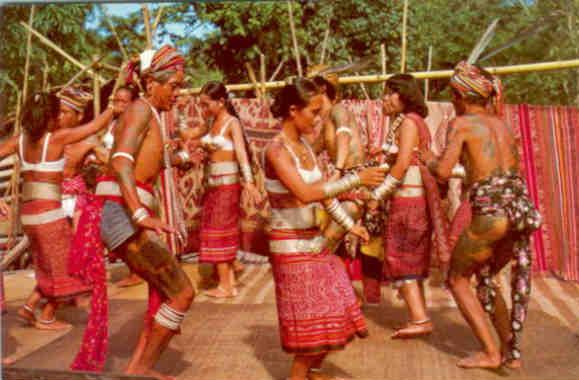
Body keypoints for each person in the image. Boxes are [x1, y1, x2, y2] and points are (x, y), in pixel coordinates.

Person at [69, 45, 194, 379]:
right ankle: (141, 368)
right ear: (152, 82)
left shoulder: (149, 113)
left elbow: (143, 161)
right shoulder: (140, 109)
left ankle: (139, 365)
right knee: (181, 292)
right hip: (121, 214)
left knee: (164, 292)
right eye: (174, 85)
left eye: (180, 86)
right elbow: (122, 162)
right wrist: (140, 215)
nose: (177, 93)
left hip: (122, 212)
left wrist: (182, 159)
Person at [419, 61, 541, 369]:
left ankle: (491, 353)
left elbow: (444, 173)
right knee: (486, 279)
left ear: (459, 95)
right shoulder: (502, 124)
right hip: (520, 210)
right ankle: (510, 353)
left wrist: (428, 158)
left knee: (457, 279)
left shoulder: (461, 124)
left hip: (492, 214)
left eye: (452, 96)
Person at [264, 78, 386, 380]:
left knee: (339, 305)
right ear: (293, 111)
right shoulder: (276, 150)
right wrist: (357, 180)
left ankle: (312, 371)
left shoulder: (303, 145)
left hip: (311, 239)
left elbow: (323, 193)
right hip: (290, 245)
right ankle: (301, 374)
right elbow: (306, 193)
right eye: (314, 112)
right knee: (311, 322)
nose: (319, 119)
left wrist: (349, 226)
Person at [0, 91, 117, 330]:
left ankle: (29, 307)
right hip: (49, 215)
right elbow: (95, 125)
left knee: (47, 264)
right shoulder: (57, 139)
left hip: (29, 215)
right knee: (66, 265)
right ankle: (46, 316)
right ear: (51, 117)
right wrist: (113, 109)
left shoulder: (19, 141)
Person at [371, 74, 441, 338]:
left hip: (409, 200)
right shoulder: (413, 122)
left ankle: (420, 319)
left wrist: (377, 194)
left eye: (391, 93)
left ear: (406, 96)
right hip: (413, 198)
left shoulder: (409, 123)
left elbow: (402, 166)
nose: (384, 99)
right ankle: (419, 315)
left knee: (400, 255)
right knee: (410, 255)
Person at [198, 81, 260, 298]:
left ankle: (225, 285)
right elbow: (192, 136)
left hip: (227, 186)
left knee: (218, 231)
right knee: (216, 229)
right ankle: (229, 281)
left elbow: (242, 154)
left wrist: (249, 182)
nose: (203, 109)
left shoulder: (231, 123)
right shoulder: (211, 122)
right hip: (214, 186)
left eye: (206, 104)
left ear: (221, 101)